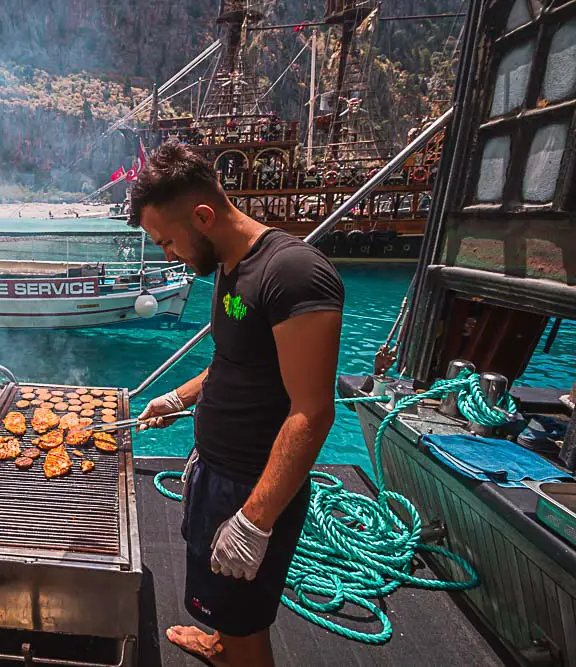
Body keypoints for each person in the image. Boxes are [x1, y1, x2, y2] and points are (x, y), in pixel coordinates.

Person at [130, 140, 343, 667]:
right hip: (214, 472)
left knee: (249, 627)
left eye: (167, 241)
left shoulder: (292, 273)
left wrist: (255, 519)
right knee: (222, 605)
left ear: (202, 216)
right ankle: (220, 644)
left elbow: (312, 412)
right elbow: (233, 361)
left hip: (250, 485)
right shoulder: (229, 264)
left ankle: (238, 652)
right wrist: (176, 398)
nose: (167, 254)